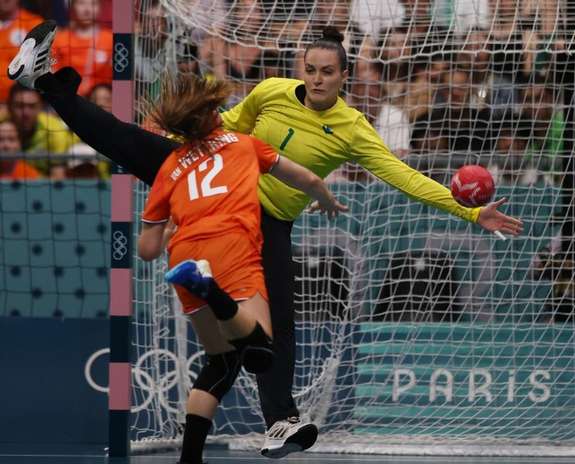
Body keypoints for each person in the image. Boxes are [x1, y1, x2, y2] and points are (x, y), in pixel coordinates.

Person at [8, 21, 523, 458]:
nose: (317, 79)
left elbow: (403, 176)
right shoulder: (271, 91)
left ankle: (279, 421)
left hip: (269, 223)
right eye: (311, 69)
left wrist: (470, 211)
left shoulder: (353, 128)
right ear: (302, 69)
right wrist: (178, 146)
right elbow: (229, 129)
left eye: (328, 72)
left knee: (272, 330)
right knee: (128, 142)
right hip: (222, 196)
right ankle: (46, 78)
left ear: (344, 76)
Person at [137, 73, 346, 464]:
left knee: (220, 361)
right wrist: (326, 198)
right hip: (231, 245)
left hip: (183, 251)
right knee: (262, 347)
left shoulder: (171, 165)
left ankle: (189, 459)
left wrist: (168, 227)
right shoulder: (244, 144)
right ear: (214, 114)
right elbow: (308, 178)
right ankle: (211, 290)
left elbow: (147, 249)